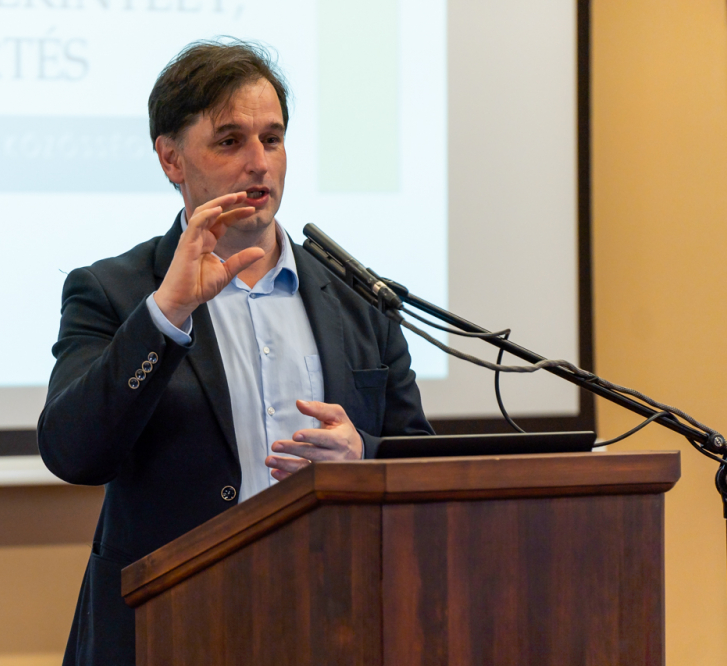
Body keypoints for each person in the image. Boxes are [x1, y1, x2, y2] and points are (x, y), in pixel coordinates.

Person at [38, 39, 433, 665]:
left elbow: (421, 463)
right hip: (170, 627)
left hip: (336, 620)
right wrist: (166, 314)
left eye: (272, 139)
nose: (258, 163)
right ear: (171, 158)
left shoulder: (360, 299)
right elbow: (74, 452)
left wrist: (361, 456)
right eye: (230, 141)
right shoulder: (115, 292)